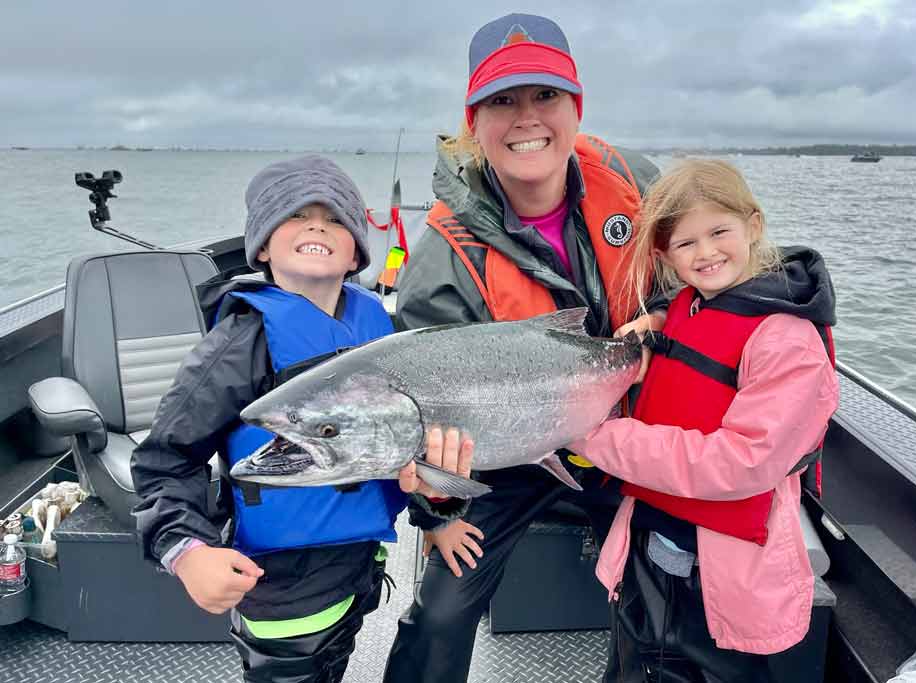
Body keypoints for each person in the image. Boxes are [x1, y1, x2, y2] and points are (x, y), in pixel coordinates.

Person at [383, 13, 664, 683]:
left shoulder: (638, 181)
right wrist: (435, 506)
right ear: (474, 121)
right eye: (502, 101)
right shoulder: (440, 259)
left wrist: (661, 325)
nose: (526, 117)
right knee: (443, 609)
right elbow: (423, 400)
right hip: (507, 457)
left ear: (576, 109)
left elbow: (700, 284)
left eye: (545, 96)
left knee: (664, 588)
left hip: (630, 431)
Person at [131, 155, 473, 683]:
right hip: (283, 588)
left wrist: (435, 519)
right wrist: (188, 552)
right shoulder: (239, 344)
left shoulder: (377, 330)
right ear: (263, 245)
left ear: (357, 248)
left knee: (336, 660)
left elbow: (402, 443)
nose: (318, 225)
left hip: (358, 565)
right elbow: (164, 460)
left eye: (336, 217)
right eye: (296, 214)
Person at [567, 159, 840, 682]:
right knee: (632, 666)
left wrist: (601, 438)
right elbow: (694, 323)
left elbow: (741, 464)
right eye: (686, 243)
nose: (707, 253)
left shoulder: (788, 343)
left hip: (719, 576)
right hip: (650, 546)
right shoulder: (689, 306)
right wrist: (656, 324)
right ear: (664, 254)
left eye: (719, 232)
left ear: (752, 226)